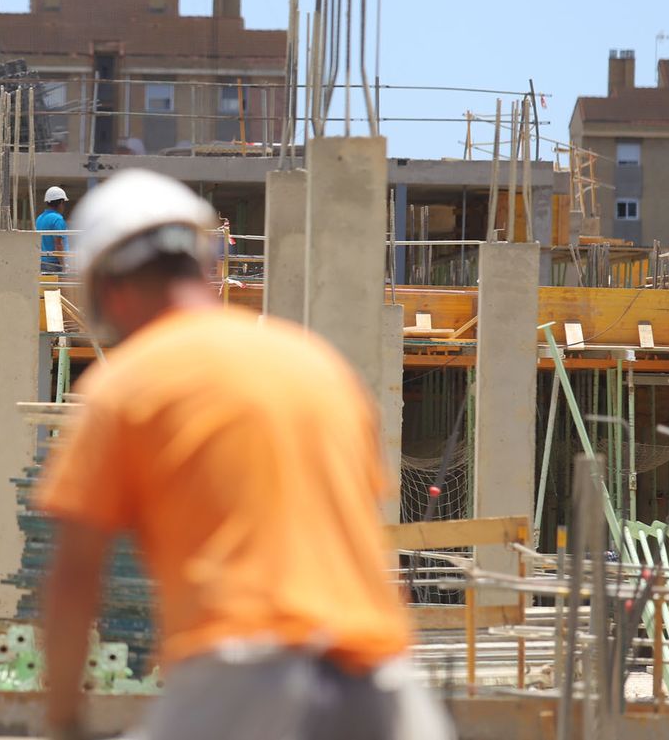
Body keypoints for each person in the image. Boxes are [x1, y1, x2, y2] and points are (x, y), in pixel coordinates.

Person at [37, 170, 451, 740]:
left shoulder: (126, 387)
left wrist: (63, 721)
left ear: (108, 289)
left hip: (240, 683)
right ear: (203, 263)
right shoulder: (317, 366)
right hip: (387, 689)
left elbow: (74, 574)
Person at [36, 186, 70, 274]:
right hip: (54, 264)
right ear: (61, 202)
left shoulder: (40, 218)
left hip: (42, 262)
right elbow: (58, 244)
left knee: (45, 287)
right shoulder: (58, 219)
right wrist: (64, 265)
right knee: (58, 287)